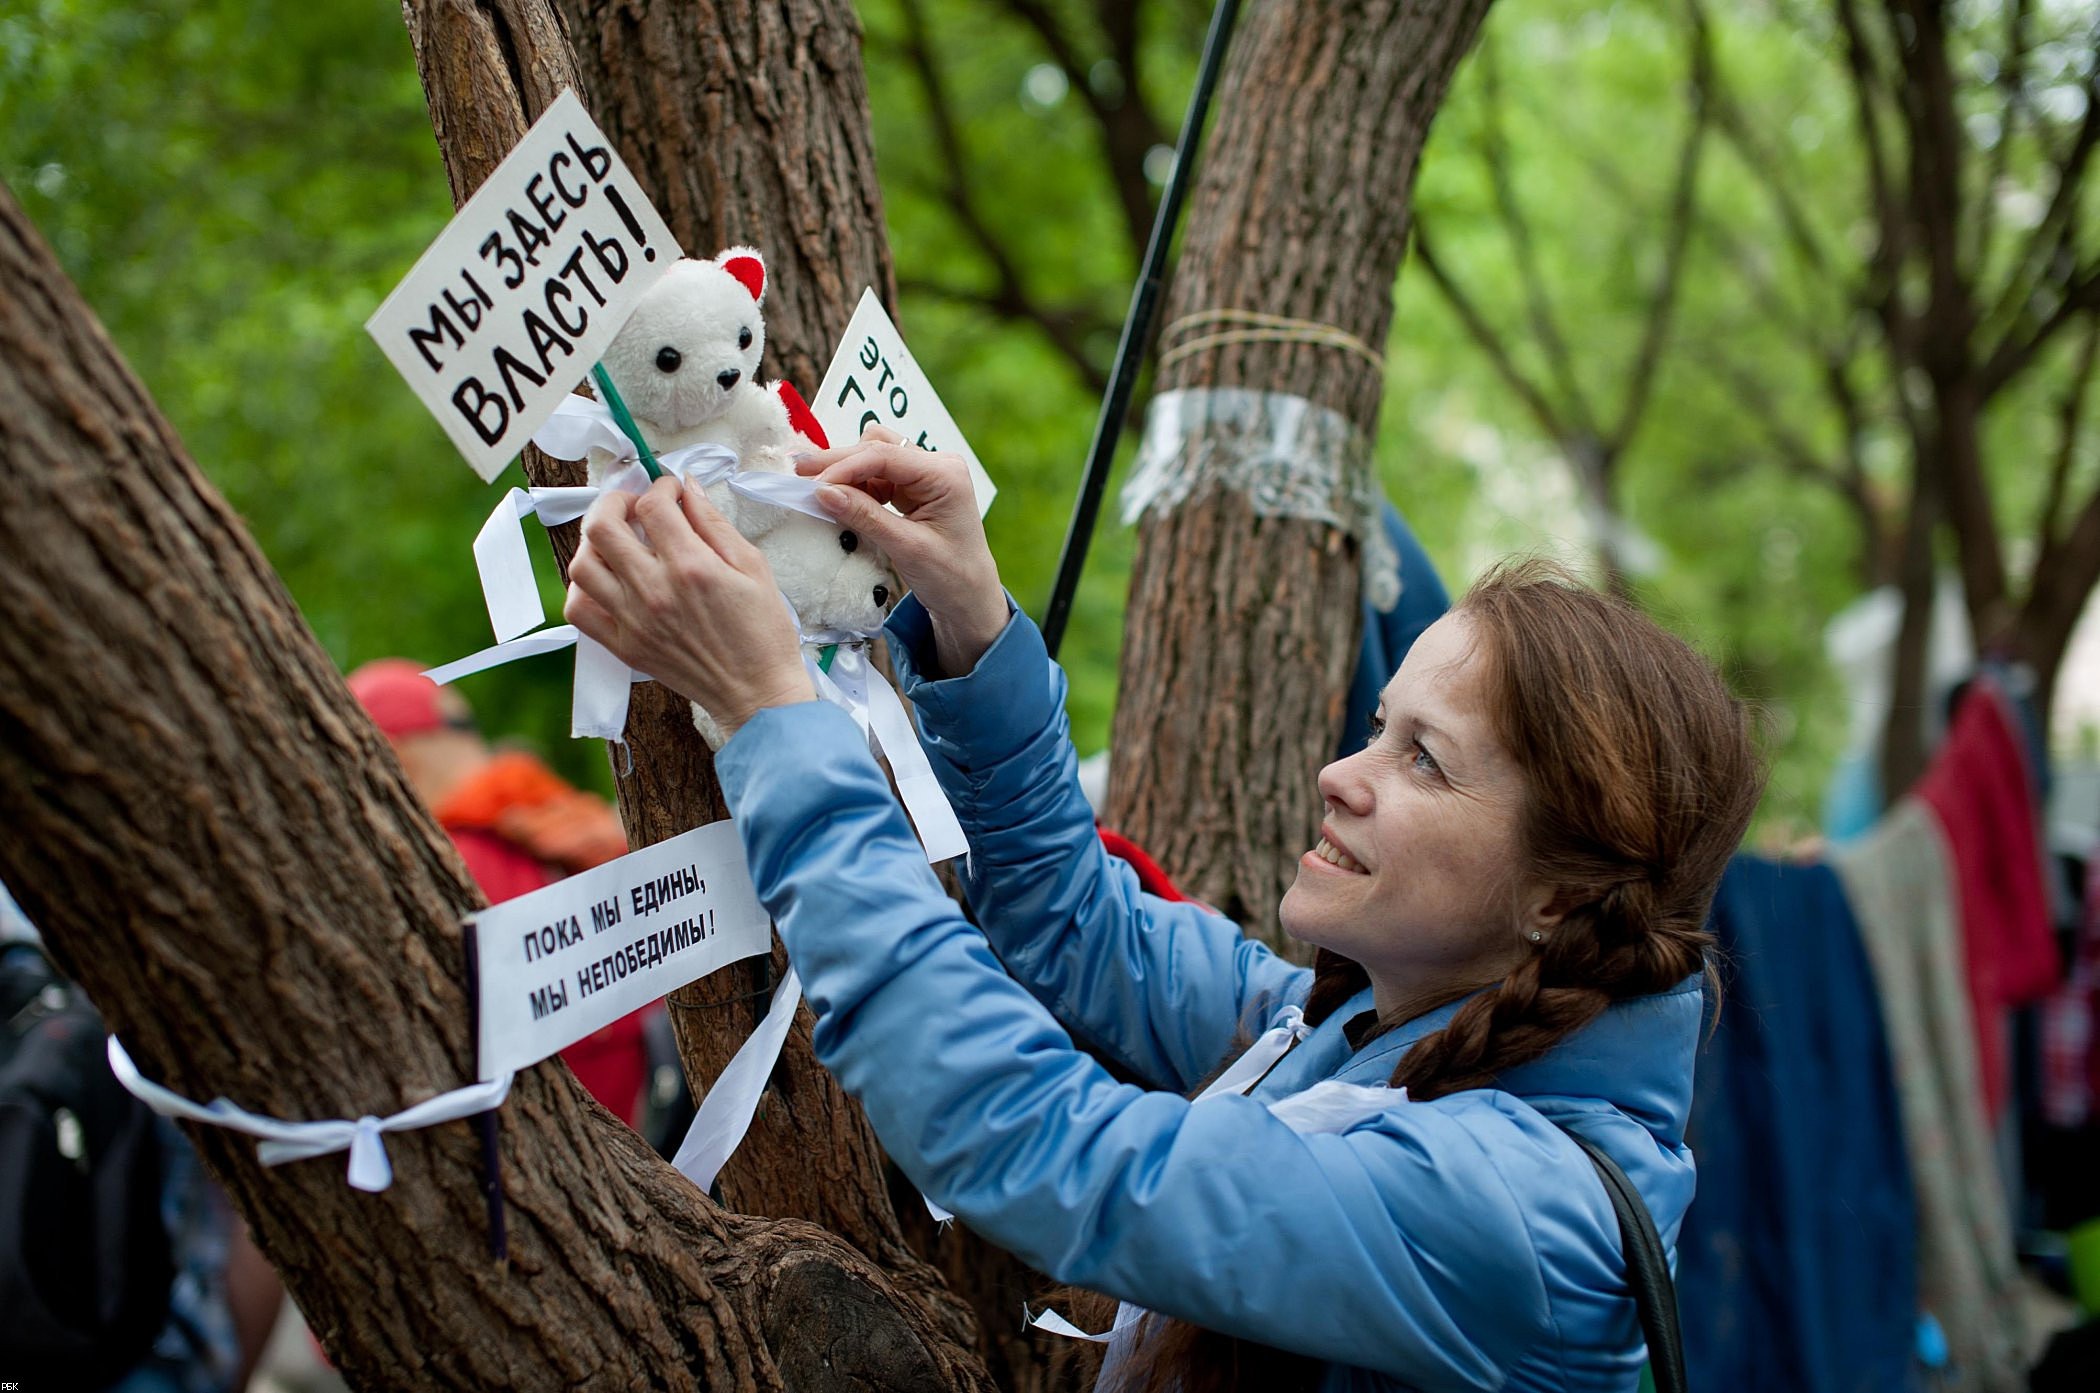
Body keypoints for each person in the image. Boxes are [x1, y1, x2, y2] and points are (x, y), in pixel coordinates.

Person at [560, 429, 1763, 1391]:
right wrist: (969, 622)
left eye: (1425, 761)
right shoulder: (1359, 1036)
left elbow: (1036, 1138)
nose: (1344, 772)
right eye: (1377, 728)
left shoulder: (1515, 1213)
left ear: (1559, 893)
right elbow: (1083, 927)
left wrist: (777, 713)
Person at [345, 660, 649, 1125]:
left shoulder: (441, 867)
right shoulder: (557, 815)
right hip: (660, 1114)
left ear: (390, 752)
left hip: (576, 1139)